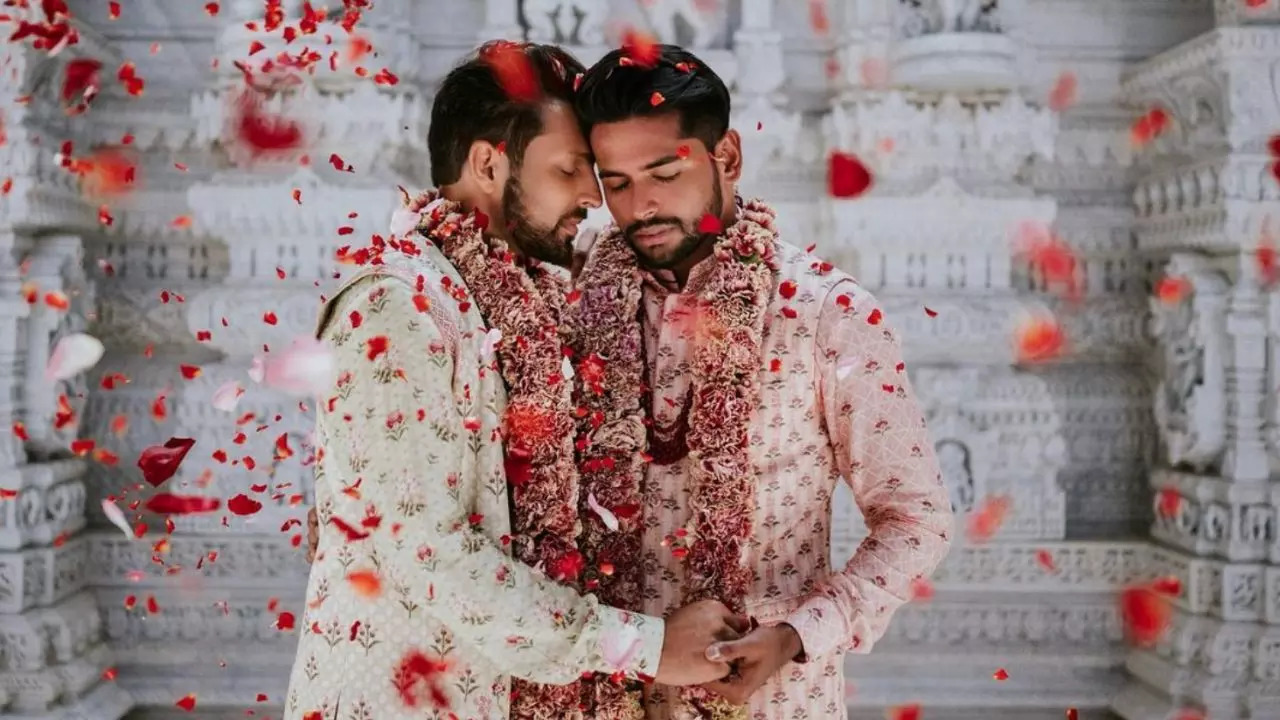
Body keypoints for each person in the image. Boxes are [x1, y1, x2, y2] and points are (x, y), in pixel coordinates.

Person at [284, 41, 745, 720]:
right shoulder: (395, 308)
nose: (592, 196)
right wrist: (642, 647)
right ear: (487, 162)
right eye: (568, 170)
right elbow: (431, 555)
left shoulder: (523, 304)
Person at [564, 44, 956, 719]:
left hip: (773, 700)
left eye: (664, 171)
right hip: (600, 694)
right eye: (618, 183)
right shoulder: (574, 304)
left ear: (728, 157)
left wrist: (798, 637)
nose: (642, 205)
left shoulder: (826, 313)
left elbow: (916, 520)